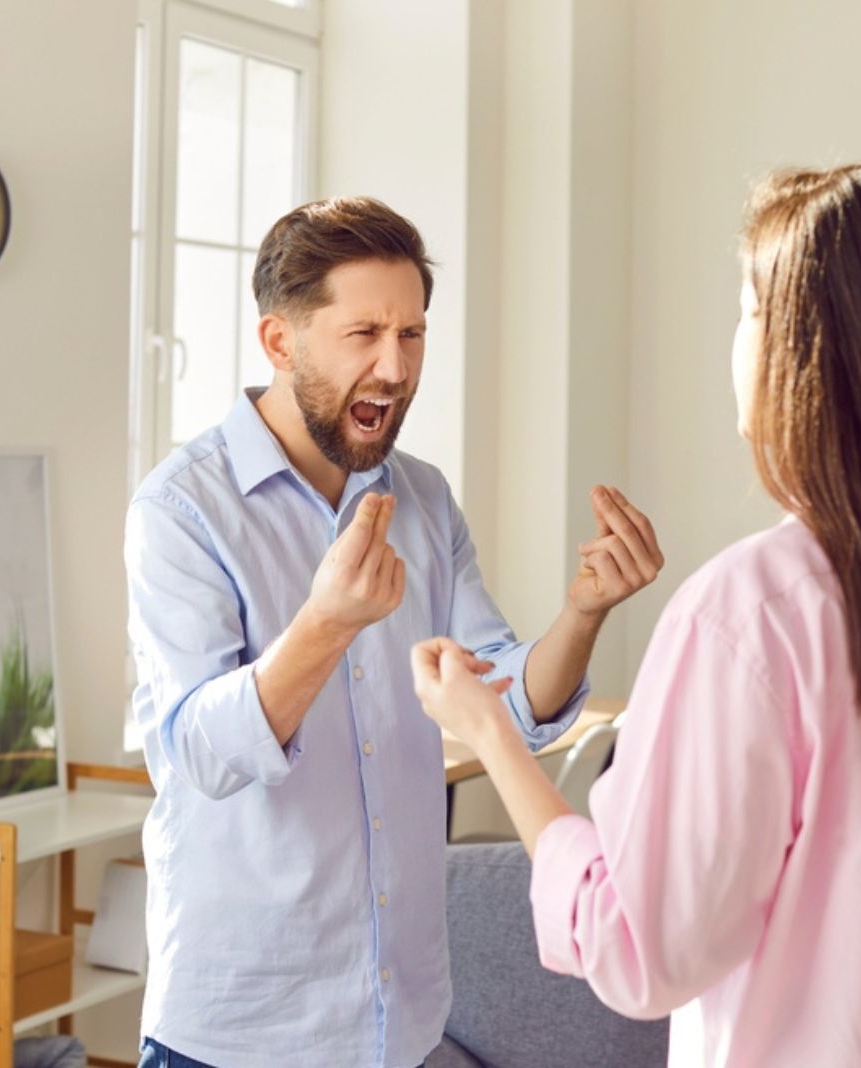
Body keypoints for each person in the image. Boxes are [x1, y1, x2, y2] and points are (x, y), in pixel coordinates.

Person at [413, 165, 861, 1067]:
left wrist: (492, 737)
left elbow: (637, 949)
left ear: (797, 347)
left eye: (748, 309)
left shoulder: (751, 612)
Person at [124, 196, 664, 1068]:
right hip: (241, 1032)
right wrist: (326, 624)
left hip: (398, 1022)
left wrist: (585, 612)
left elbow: (504, 698)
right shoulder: (183, 510)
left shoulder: (421, 496)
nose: (395, 365)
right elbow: (199, 753)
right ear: (279, 342)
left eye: (411, 334)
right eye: (364, 333)